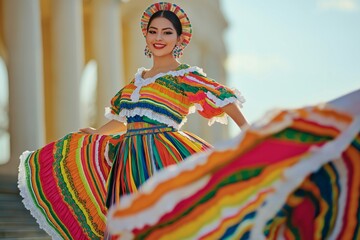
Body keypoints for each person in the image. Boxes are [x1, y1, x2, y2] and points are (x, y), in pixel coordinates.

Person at [18, 2, 247, 239]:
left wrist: (248, 132)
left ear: (179, 39)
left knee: (164, 218)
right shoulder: (138, 81)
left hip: (164, 156)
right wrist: (97, 133)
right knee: (129, 220)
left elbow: (223, 99)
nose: (159, 37)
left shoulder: (185, 75)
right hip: (128, 160)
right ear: (146, 35)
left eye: (167, 32)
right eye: (153, 31)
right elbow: (123, 119)